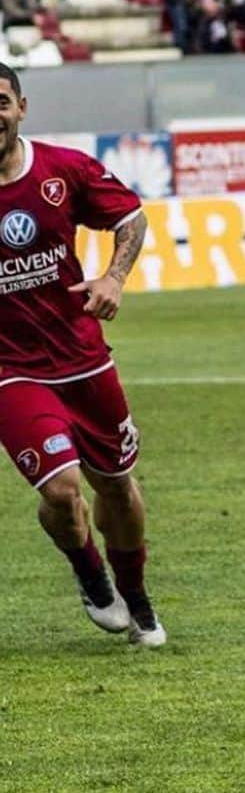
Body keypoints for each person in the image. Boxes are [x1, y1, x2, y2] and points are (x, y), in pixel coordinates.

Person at [0, 64, 165, 648]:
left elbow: (130, 216)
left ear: (22, 107)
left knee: (116, 486)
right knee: (63, 491)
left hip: (85, 359)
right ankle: (92, 576)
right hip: (11, 371)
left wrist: (115, 278)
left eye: (0, 102)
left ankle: (138, 596)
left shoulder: (62, 169)